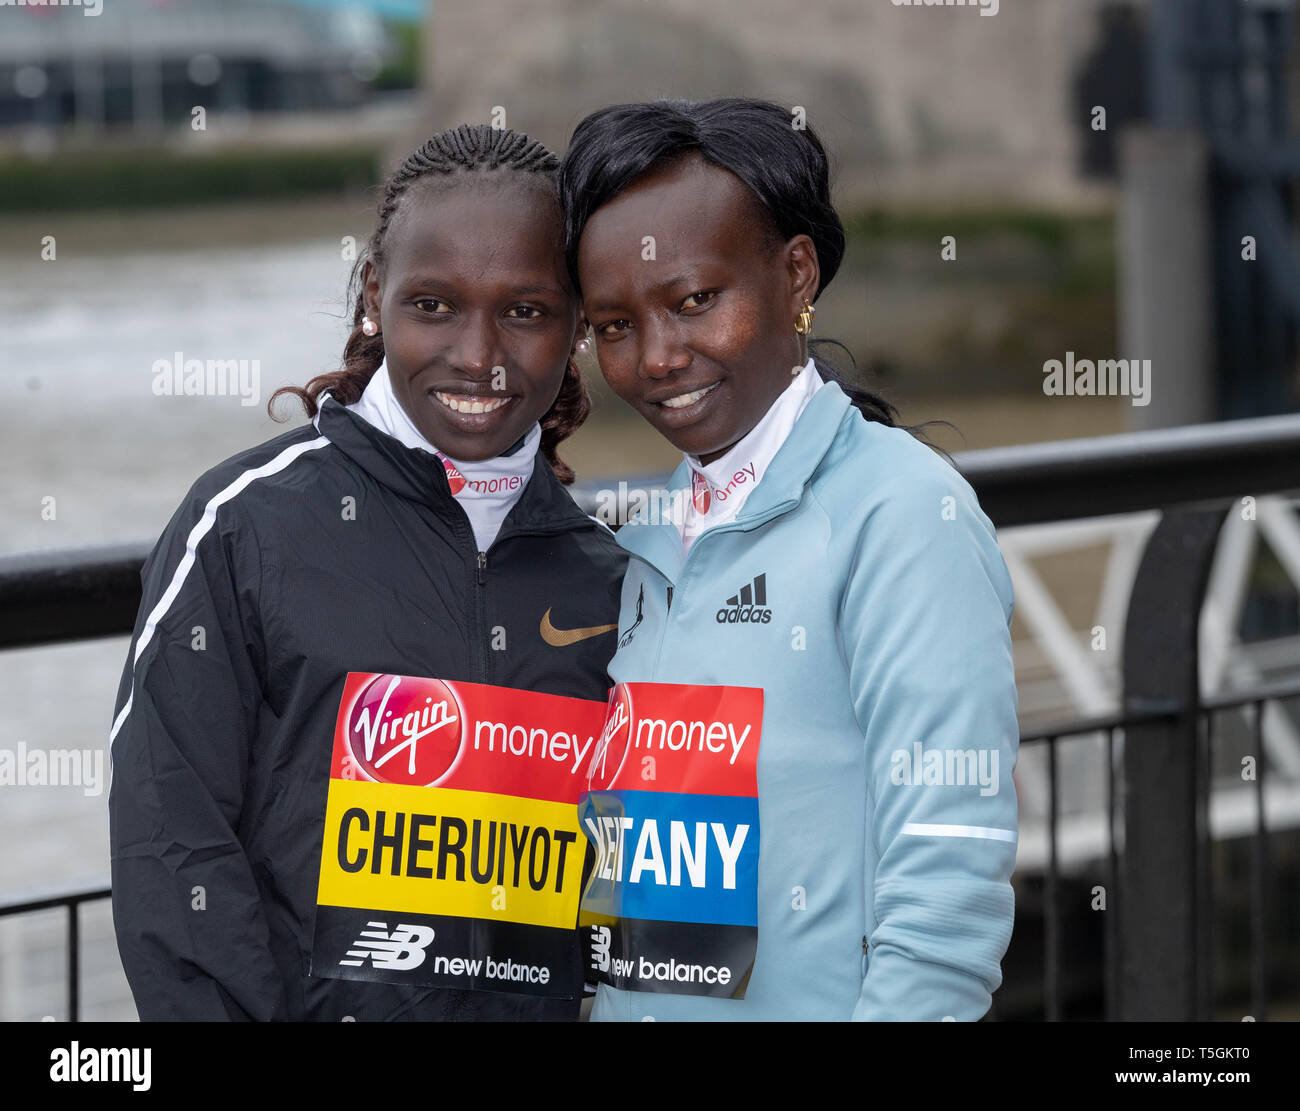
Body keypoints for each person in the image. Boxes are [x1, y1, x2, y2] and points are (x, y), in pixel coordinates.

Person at [108, 124, 626, 1021]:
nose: (477, 354)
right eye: (434, 305)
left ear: (577, 323)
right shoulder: (241, 526)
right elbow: (170, 841)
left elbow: (633, 911)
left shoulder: (616, 580)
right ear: (376, 295)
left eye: (527, 310)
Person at [560, 98, 1019, 1021]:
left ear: (796, 274)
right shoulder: (651, 544)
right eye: (613, 325)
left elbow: (947, 885)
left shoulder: (901, 514)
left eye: (695, 302)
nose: (657, 358)